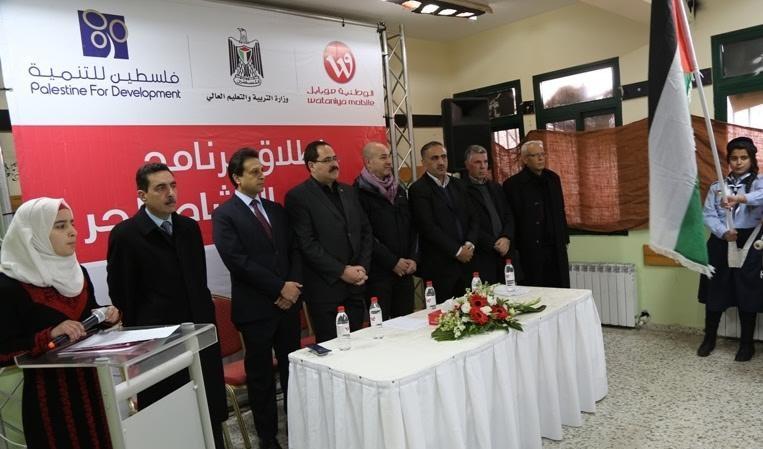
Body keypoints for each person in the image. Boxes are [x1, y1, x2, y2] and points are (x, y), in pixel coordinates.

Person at [106, 163, 227, 448]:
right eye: (160, 188)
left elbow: (198, 282)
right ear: (142, 195)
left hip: (200, 336)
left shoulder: (188, 228)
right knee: (171, 420)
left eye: (173, 185)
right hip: (159, 345)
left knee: (208, 413)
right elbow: (122, 295)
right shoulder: (126, 235)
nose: (170, 193)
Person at [0, 197, 120, 449]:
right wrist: (48, 335)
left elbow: (86, 320)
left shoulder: (78, 273)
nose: (73, 232)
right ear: (33, 235)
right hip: (50, 401)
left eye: (72, 223)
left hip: (92, 390)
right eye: (60, 226)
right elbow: (4, 350)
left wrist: (105, 317)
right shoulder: (9, 285)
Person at [212, 148, 301, 449]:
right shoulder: (225, 214)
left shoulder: (276, 209)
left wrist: (292, 288)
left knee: (292, 370)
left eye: (262, 170)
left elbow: (293, 250)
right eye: (254, 171)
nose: (262, 175)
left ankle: (299, 426)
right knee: (261, 377)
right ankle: (268, 437)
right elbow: (237, 261)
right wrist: (279, 288)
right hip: (257, 310)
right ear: (237, 178)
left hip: (288, 306)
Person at [285, 140, 373, 343]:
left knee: (361, 347)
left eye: (335, 158)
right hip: (325, 292)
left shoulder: (349, 191)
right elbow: (307, 244)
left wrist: (362, 268)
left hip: (356, 286)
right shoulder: (298, 197)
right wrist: (342, 271)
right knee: (333, 351)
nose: (334, 164)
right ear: (311, 165)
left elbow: (366, 231)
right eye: (327, 160)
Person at [697, 137, 763, 361]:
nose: (739, 162)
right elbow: (708, 214)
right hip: (722, 240)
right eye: (734, 158)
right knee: (716, 289)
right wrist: (723, 231)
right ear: (728, 160)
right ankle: (709, 339)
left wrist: (739, 198)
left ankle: (747, 344)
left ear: (752, 159)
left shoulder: (759, 183)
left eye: (744, 157)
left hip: (750, 242)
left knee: (748, 292)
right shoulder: (718, 186)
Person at [354, 142, 417, 319]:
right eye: (383, 157)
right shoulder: (358, 192)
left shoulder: (399, 189)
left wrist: (413, 257)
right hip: (378, 275)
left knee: (407, 324)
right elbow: (366, 235)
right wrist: (392, 262)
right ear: (368, 162)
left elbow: (412, 226)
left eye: (389, 156)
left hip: (405, 271)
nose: (389, 161)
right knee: (381, 328)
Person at [409, 141, 478, 302]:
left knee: (471, 309)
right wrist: (457, 251)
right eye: (434, 158)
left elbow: (474, 217)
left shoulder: (459, 185)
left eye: (443, 157)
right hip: (439, 266)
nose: (441, 162)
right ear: (423, 162)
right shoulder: (418, 189)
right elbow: (428, 227)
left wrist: (470, 244)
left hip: (467, 262)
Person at [503, 140, 570, 288]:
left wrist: (564, 239)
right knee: (536, 289)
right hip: (530, 249)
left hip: (555, 246)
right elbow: (511, 219)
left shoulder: (553, 179)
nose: (540, 158)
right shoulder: (512, 185)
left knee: (560, 289)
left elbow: (561, 210)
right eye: (535, 155)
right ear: (525, 159)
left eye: (542, 154)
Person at [463, 144, 520, 285]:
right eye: (477, 162)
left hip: (505, 251)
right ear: (467, 165)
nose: (483, 166)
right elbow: (467, 224)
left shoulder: (496, 187)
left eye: (485, 162)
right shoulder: (461, 190)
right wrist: (492, 243)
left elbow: (508, 215)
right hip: (482, 254)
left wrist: (506, 237)